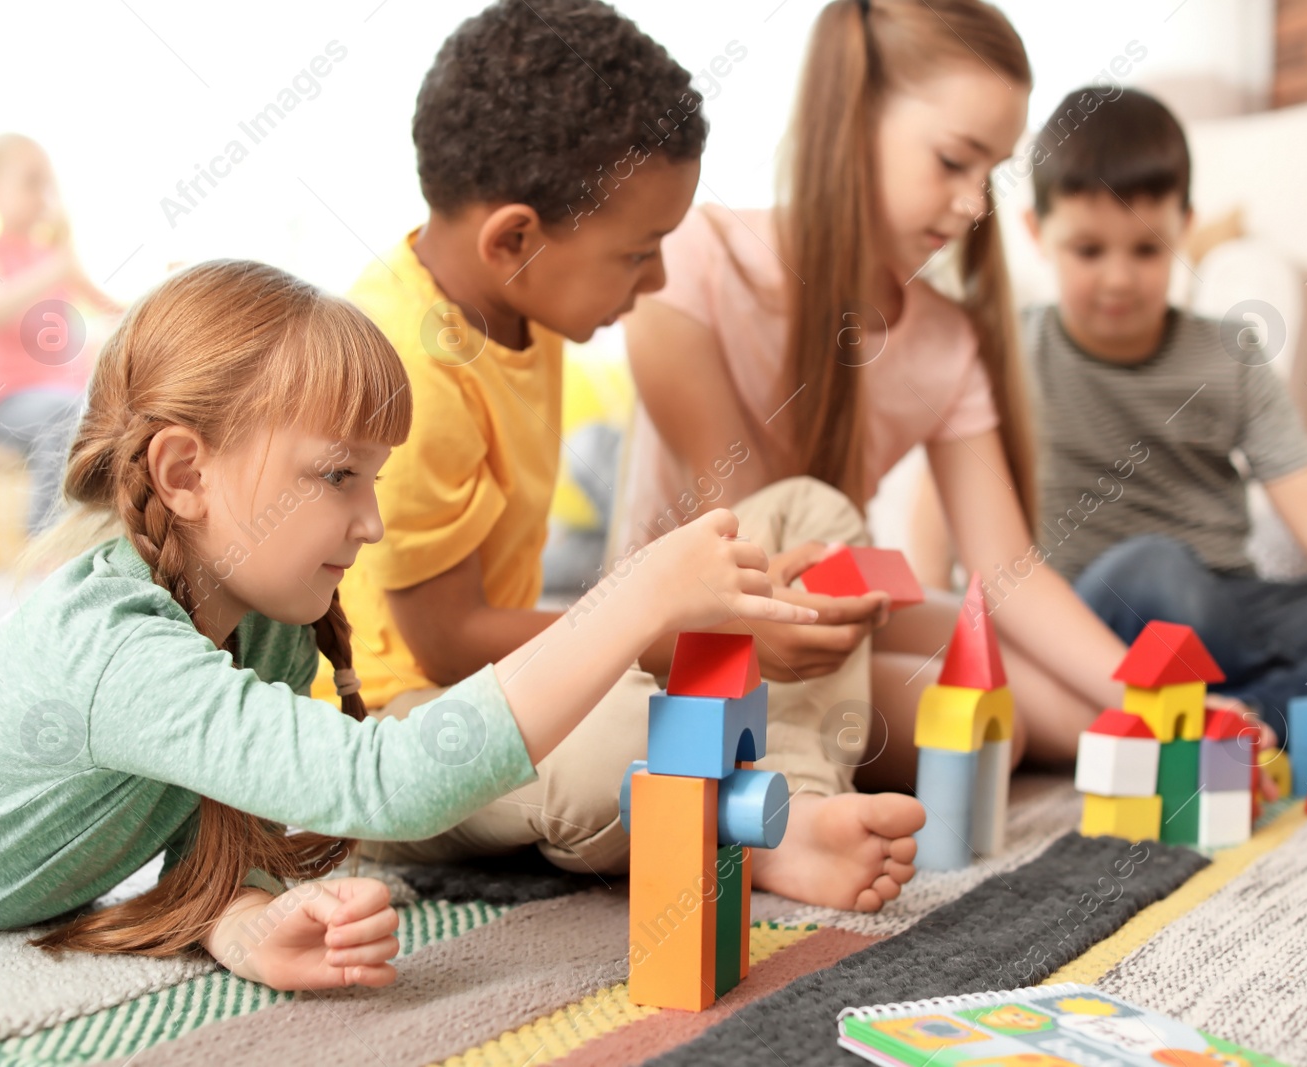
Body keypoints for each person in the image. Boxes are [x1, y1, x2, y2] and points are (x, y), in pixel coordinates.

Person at [0, 259, 804, 991]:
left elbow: (202, 837)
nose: (373, 522)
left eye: (374, 478)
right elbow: (385, 782)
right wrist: (633, 596)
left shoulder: (259, 622)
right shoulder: (109, 642)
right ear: (185, 474)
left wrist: (243, 921)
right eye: (338, 474)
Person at [321, 0, 920, 912]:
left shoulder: (519, 294)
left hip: (521, 670)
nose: (661, 281)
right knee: (611, 748)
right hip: (407, 722)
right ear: (515, 238)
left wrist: (713, 612)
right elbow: (441, 642)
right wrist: (685, 629)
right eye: (638, 254)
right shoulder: (407, 363)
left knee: (807, 514)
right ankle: (747, 825)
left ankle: (790, 803)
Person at [623, 0, 1148, 800]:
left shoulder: (945, 340)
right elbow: (750, 534)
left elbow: (1007, 568)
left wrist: (1170, 700)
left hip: (835, 602)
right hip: (705, 626)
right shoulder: (692, 262)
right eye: (952, 161)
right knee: (986, 736)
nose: (976, 205)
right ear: (852, 123)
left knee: (1056, 699)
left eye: (990, 173)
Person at [1021, 86, 1307, 746]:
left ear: (1184, 229)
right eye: (1088, 251)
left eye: (1146, 250)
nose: (1117, 278)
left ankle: (1255, 719)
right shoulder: (1012, 348)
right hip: (1096, 626)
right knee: (1157, 576)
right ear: (1036, 233)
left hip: (1236, 616)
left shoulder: (1230, 352)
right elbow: (951, 511)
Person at [0, 133, 123, 533]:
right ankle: (44, 543)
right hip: (0, 404)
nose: (44, 193)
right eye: (31, 181)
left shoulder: (57, 258)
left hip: (57, 398)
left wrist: (167, 290)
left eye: (48, 182)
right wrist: (55, 269)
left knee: (93, 409)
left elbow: (115, 310)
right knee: (67, 413)